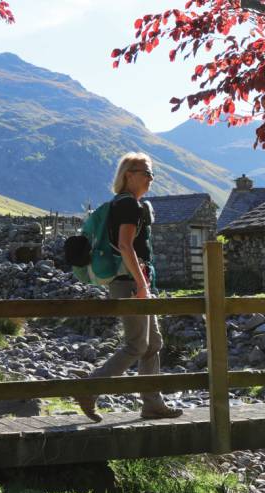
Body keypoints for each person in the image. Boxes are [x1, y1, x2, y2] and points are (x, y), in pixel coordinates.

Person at [76, 152, 182, 422]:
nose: (150, 178)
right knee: (136, 345)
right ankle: (90, 388)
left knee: (153, 343)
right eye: (146, 173)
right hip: (129, 283)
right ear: (128, 175)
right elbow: (125, 246)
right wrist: (142, 284)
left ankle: (152, 403)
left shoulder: (123, 204)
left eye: (151, 173)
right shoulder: (129, 206)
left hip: (130, 281)